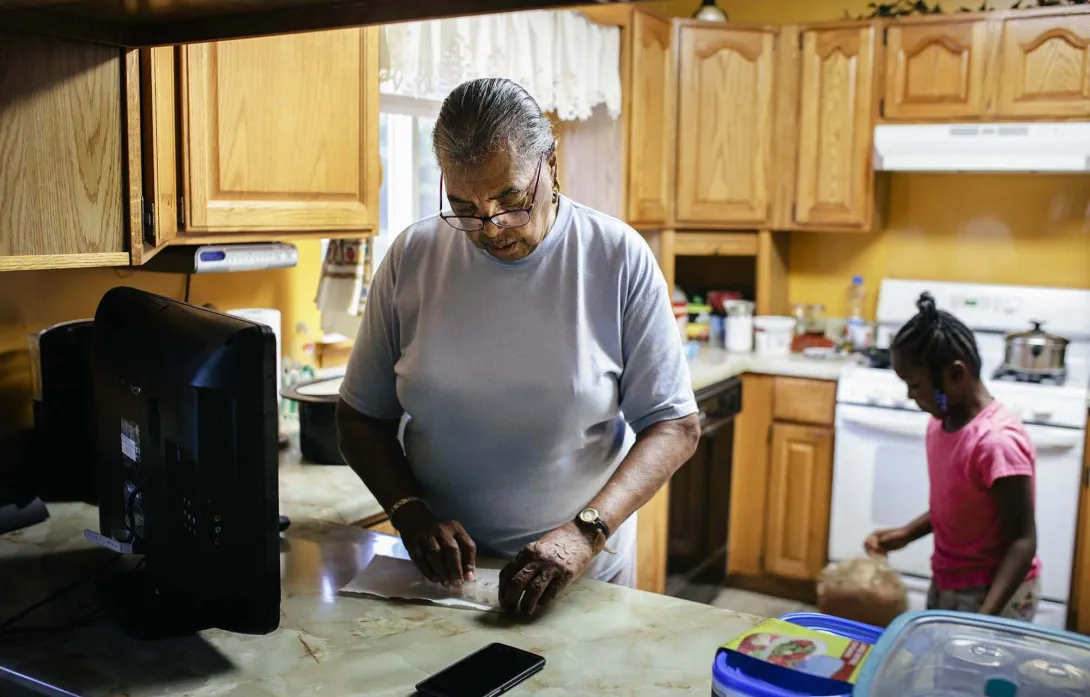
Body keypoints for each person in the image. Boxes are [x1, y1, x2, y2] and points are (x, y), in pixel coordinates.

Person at [336, 77, 700, 614]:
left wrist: (585, 533)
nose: (491, 228)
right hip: (442, 583)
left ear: (550, 163)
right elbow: (360, 417)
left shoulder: (617, 257)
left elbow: (674, 426)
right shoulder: (412, 258)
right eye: (464, 206)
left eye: (509, 199)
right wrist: (410, 514)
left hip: (580, 575)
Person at [866, 292, 1040, 620]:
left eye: (915, 385)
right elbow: (958, 505)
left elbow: (1022, 541)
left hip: (994, 592)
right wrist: (907, 533)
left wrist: (983, 618)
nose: (910, 395)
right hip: (949, 578)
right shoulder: (941, 424)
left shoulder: (996, 442)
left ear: (956, 375)